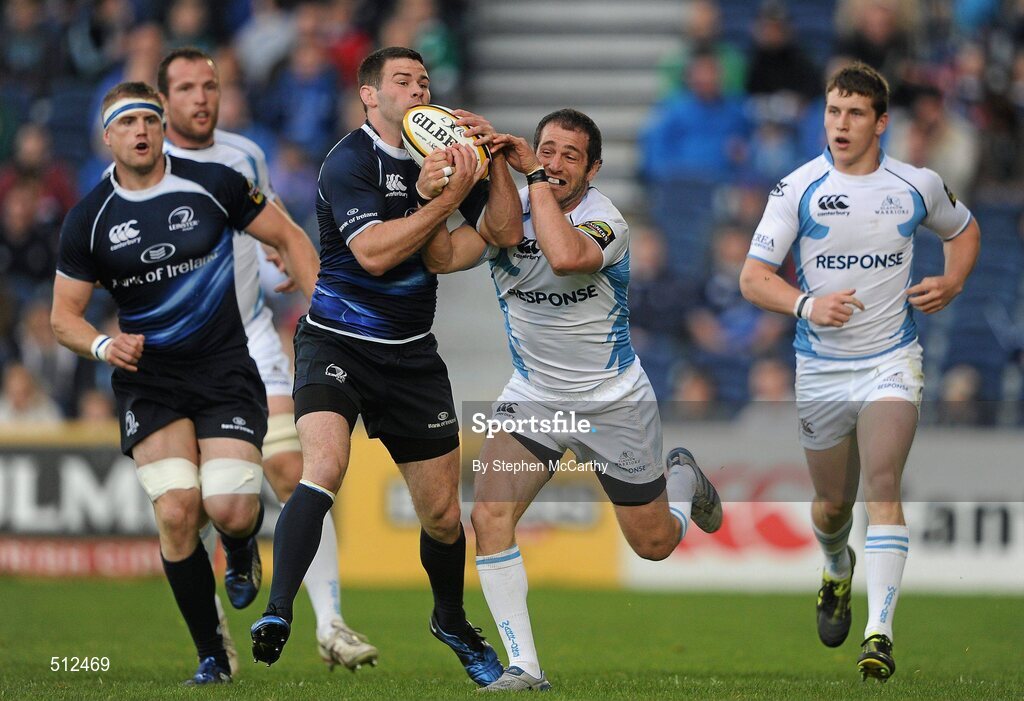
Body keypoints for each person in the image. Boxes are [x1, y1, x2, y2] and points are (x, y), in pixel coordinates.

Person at [421, 109, 724, 691]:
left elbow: (565, 257)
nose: (555, 163)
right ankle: (524, 667)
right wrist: (434, 192)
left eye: (569, 155)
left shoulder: (607, 219)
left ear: (594, 169)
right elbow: (440, 258)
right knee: (489, 515)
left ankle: (682, 479)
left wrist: (531, 177)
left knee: (654, 544)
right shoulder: (504, 214)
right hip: (534, 398)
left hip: (613, 404)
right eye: (547, 149)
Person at [249, 46, 521, 686]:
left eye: (425, 80)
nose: (417, 88)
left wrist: (496, 165)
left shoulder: (451, 155)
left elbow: (499, 236)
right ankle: (279, 612)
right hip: (336, 340)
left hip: (409, 356)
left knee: (443, 517)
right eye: (402, 80)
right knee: (324, 467)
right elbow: (371, 254)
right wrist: (440, 201)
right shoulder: (349, 160)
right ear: (370, 95)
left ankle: (451, 621)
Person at [51, 81, 319, 685]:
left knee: (229, 507)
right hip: (151, 383)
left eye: (149, 119)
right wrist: (101, 344)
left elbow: (289, 237)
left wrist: (323, 313)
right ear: (108, 136)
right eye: (127, 124)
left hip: (225, 371)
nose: (140, 131)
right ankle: (212, 655)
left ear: (162, 125)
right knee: (176, 511)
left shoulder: (213, 183)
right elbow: (61, 318)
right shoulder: (89, 219)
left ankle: (242, 543)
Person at [739, 62, 980, 681]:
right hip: (820, 369)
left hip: (890, 362)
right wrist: (806, 304)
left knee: (883, 487)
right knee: (830, 507)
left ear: (881, 122)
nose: (840, 125)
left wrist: (953, 280)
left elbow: (966, 227)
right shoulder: (797, 188)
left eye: (853, 114)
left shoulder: (916, 185)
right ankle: (836, 566)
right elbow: (752, 277)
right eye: (832, 112)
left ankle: (879, 635)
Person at [158, 45, 378, 673]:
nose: (202, 98)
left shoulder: (244, 153)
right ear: (163, 100)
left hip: (250, 335)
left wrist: (286, 259)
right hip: (177, 356)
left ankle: (332, 625)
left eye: (210, 86)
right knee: (191, 504)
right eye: (187, 89)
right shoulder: (142, 166)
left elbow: (274, 222)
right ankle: (217, 641)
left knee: (293, 467)